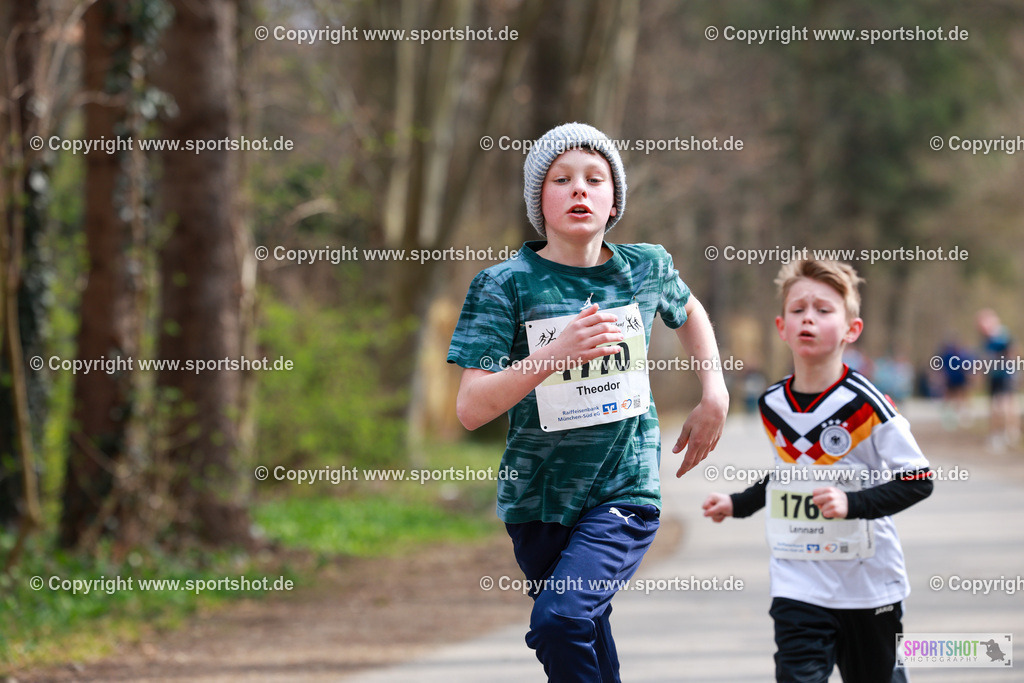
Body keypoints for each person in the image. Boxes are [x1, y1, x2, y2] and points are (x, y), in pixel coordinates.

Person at [447, 122, 729, 682]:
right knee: (585, 635)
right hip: (538, 500)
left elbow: (689, 310)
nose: (580, 190)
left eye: (595, 179)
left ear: (613, 199)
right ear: (538, 200)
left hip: (623, 491)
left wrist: (714, 391)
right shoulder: (504, 285)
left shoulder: (644, 267)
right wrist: (554, 353)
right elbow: (471, 407)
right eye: (562, 179)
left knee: (560, 621)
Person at [702, 259, 933, 683]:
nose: (808, 317)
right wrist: (738, 503)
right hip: (798, 580)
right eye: (798, 309)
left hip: (868, 584)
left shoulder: (868, 403)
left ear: (851, 330)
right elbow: (789, 474)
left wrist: (852, 503)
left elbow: (919, 480)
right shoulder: (771, 403)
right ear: (781, 327)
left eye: (824, 310)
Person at [976, 309, 1020, 451]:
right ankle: (997, 435)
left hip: (1005, 374)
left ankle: (1010, 432)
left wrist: (1013, 370)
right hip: (994, 375)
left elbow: (1012, 353)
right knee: (995, 406)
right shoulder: (986, 338)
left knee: (1006, 404)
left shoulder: (1002, 336)